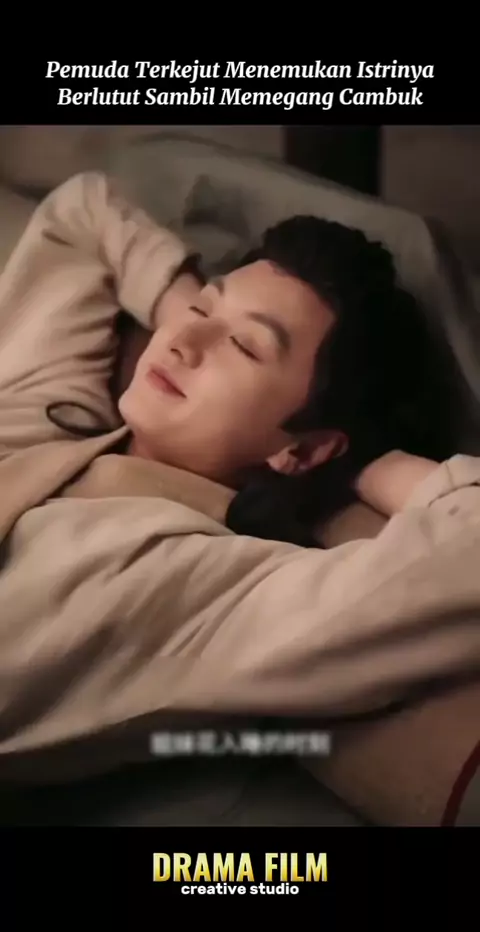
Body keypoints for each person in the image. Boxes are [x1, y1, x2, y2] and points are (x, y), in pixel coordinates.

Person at [0, 171, 478, 782]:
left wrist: (368, 466)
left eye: (246, 347)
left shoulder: (204, 591)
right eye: (203, 308)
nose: (184, 340)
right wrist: (183, 304)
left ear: (306, 449)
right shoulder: (49, 417)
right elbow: (81, 213)